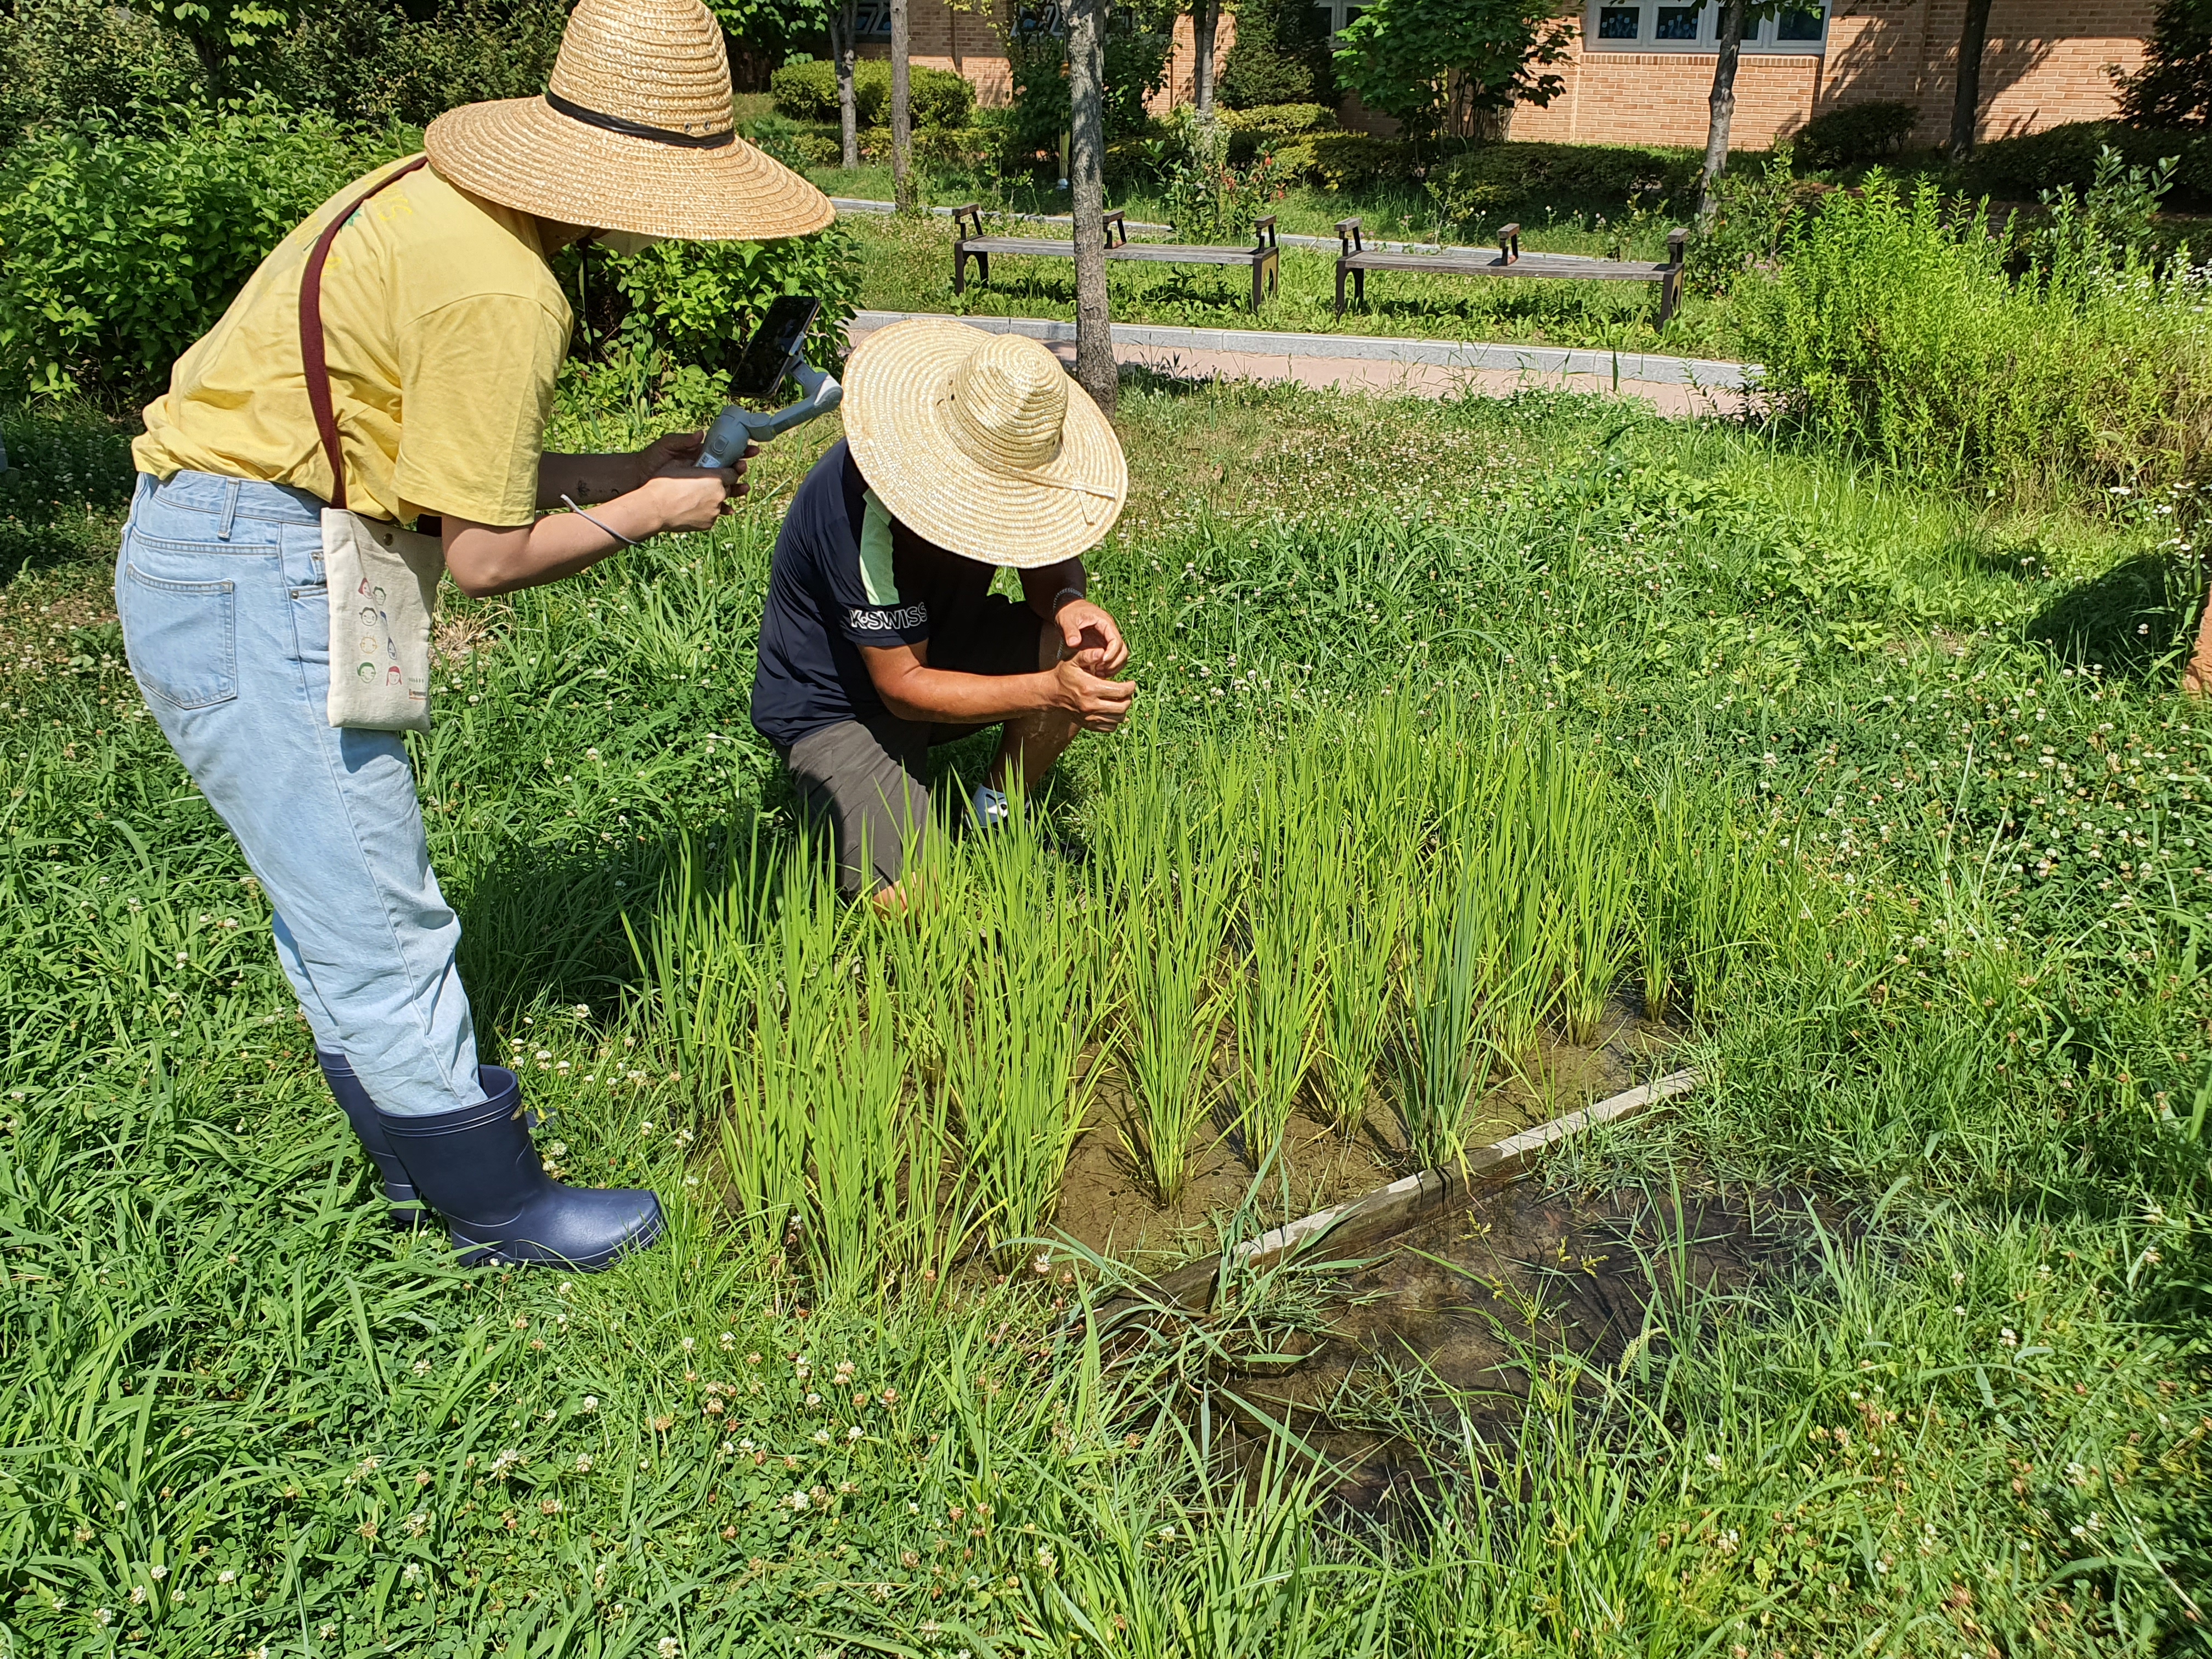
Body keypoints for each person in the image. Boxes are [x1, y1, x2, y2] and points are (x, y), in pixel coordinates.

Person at [115, 0, 832, 1271]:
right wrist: (653, 515)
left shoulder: (426, 196)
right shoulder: (507, 287)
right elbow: (487, 554)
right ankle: (495, 1213)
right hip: (261, 567)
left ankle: (409, 1171)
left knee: (327, 902)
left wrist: (621, 464)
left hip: (221, 547)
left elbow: (449, 463)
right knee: (380, 915)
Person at [751, 321, 1138, 904]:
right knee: (913, 903)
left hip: (939, 650)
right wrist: (1048, 692)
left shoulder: (1015, 462)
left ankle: (995, 816)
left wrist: (1068, 602)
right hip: (840, 706)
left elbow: (1046, 561)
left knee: (1077, 654)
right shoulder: (858, 509)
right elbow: (902, 689)